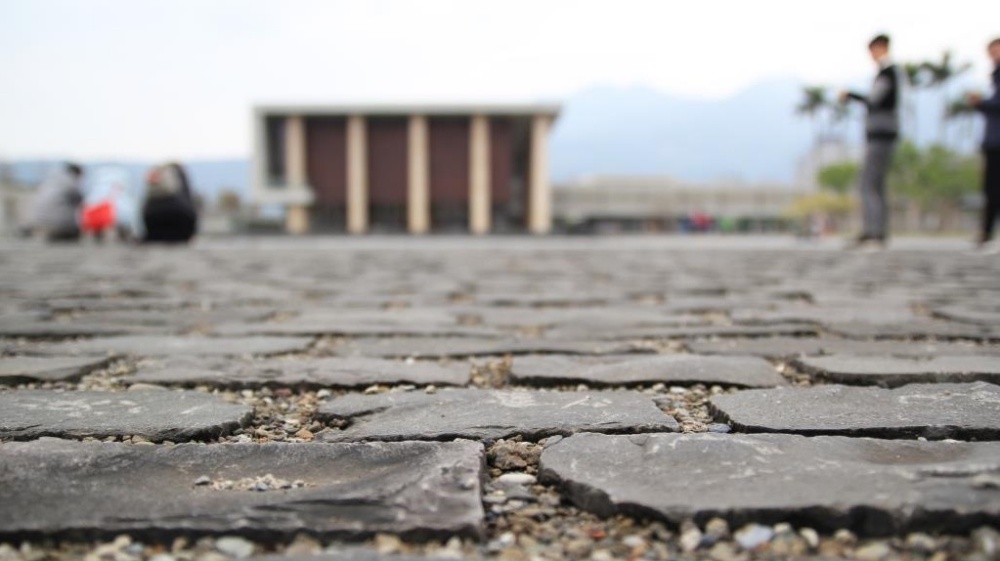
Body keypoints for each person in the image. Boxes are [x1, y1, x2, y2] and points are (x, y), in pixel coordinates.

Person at [840, 34, 901, 250]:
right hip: (885, 133)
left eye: (873, 50)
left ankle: (873, 231)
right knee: (877, 183)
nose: (871, 55)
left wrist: (850, 96)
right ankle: (877, 231)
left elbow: (874, 100)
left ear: (881, 47)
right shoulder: (890, 72)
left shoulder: (888, 72)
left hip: (880, 133)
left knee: (869, 182)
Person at [968, 37, 1000, 252]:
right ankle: (986, 231)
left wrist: (982, 102)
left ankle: (987, 232)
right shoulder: (995, 75)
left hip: (997, 140)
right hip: (993, 138)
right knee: (991, 188)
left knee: (993, 186)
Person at [142, 162, 198, 243]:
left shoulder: (158, 176)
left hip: (154, 219)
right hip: (180, 217)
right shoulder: (180, 175)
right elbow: (190, 208)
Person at [30, 163, 84, 242]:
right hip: (60, 222)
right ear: (77, 173)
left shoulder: (51, 179)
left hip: (39, 220)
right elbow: (79, 199)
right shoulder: (70, 181)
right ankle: (61, 232)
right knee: (75, 232)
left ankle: (52, 231)